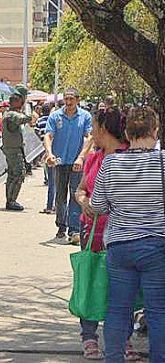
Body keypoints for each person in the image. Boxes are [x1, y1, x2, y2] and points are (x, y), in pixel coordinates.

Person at [91, 106, 165, 362]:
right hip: (157, 246)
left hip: (120, 247)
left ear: (126, 132)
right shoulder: (162, 162)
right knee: (158, 312)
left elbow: (98, 206)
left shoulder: (111, 163)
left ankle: (113, 358)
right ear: (155, 131)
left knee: (118, 309)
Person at [74, 107, 140, 361]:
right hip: (91, 231)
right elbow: (80, 190)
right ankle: (89, 336)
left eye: (94, 126)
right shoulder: (94, 157)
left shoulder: (130, 157)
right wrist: (84, 202)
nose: (92, 132)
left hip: (121, 234)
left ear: (104, 129)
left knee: (121, 287)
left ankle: (123, 339)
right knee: (90, 280)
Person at [44, 87, 92, 244]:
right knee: (60, 196)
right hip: (59, 162)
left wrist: (81, 157)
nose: (69, 102)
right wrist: (49, 153)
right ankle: (61, 226)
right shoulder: (55, 116)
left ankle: (74, 229)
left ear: (77, 100)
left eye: (72, 99)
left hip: (76, 163)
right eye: (66, 99)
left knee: (75, 195)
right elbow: (48, 135)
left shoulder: (85, 117)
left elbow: (88, 138)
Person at [1, 84, 31, 211]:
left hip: (12, 148)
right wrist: (28, 106)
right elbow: (27, 118)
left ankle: (10, 200)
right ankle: (11, 200)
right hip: (13, 150)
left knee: (13, 175)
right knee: (18, 173)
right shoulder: (11, 115)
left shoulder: (9, 113)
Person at [36, 105, 55, 214]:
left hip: (47, 151)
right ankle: (52, 206)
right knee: (55, 182)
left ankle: (50, 206)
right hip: (52, 152)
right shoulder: (54, 120)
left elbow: (38, 133)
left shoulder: (40, 120)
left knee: (52, 182)